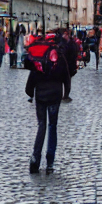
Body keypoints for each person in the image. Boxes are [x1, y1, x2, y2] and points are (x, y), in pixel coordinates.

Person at [25, 42, 71, 175]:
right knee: (52, 127)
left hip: (40, 97)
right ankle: (50, 161)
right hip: (55, 97)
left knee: (42, 126)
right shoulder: (60, 58)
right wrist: (66, 93)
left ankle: (36, 157)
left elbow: (32, 78)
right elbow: (66, 77)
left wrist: (30, 92)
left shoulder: (39, 58)